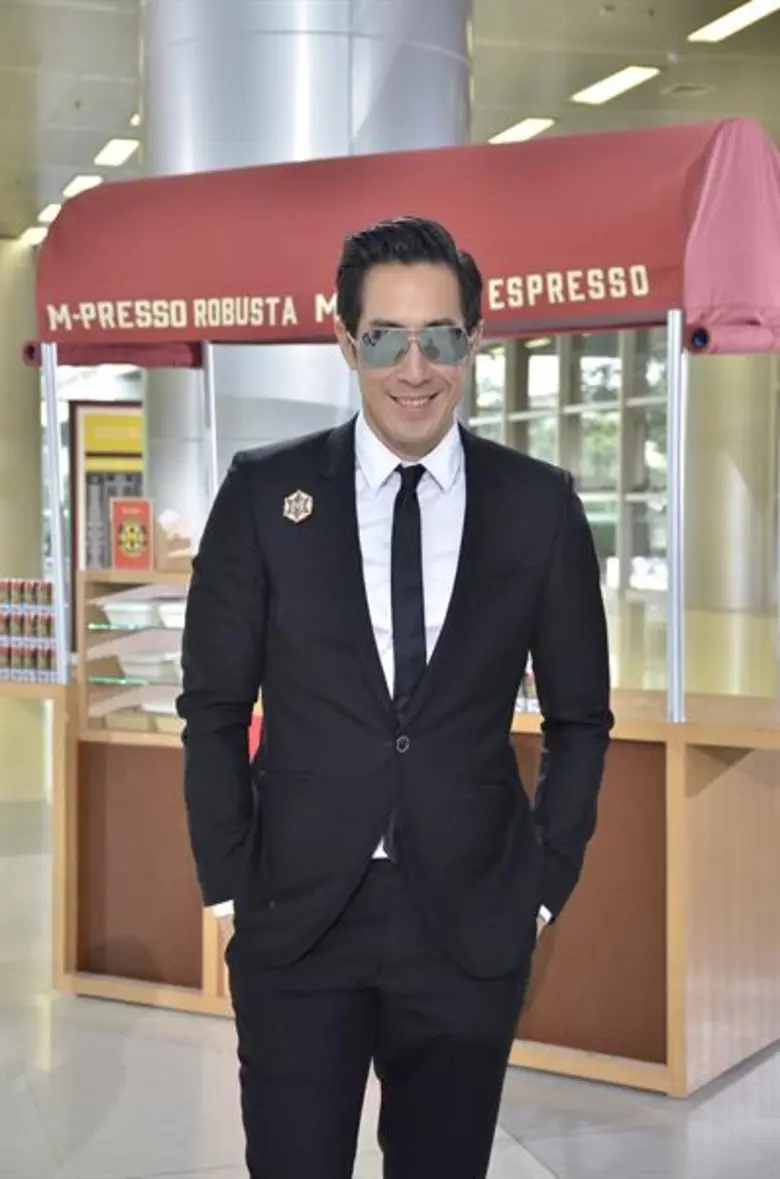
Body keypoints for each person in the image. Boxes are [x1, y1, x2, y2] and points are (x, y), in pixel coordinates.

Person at [177, 216, 613, 1179]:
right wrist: (229, 890)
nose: (414, 369)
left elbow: (582, 718)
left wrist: (541, 892)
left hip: (469, 921)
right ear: (346, 342)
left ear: (475, 338)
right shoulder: (265, 494)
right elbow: (211, 706)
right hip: (296, 919)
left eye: (440, 337)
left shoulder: (539, 506)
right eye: (384, 339)